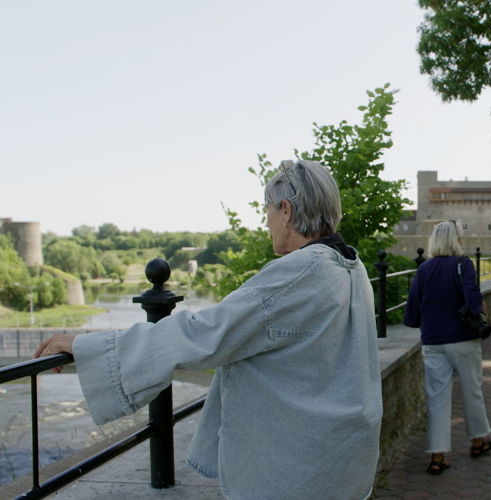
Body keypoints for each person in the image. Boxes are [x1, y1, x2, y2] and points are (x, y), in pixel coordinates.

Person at [34, 160, 382, 500]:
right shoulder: (351, 265)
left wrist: (88, 347)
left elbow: (205, 333)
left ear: (286, 211)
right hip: (343, 455)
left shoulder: (300, 272)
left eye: (268, 211)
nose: (267, 222)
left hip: (301, 469)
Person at [403, 220, 491, 475]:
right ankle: (478, 440)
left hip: (433, 341)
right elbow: (472, 299)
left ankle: (438, 455)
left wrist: (424, 322)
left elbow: (412, 311)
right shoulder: (463, 265)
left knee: (437, 399)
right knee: (471, 391)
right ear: (456, 240)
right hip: (463, 338)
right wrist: (478, 310)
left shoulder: (424, 269)